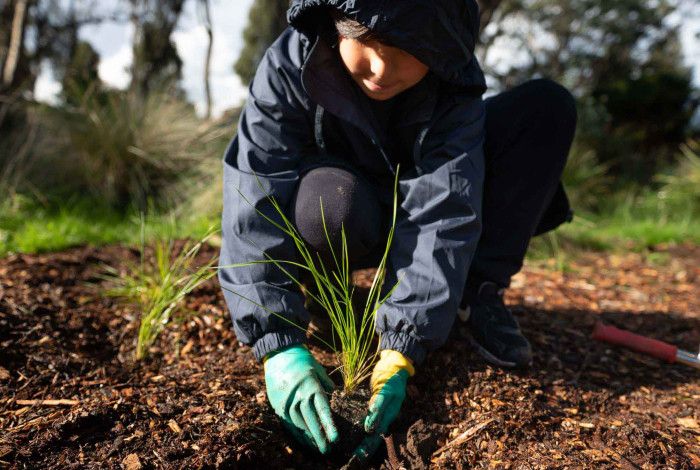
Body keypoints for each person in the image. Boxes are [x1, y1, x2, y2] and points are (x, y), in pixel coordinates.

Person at [218, 0, 577, 460]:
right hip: (346, 206)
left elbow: (443, 208)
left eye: (408, 49)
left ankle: (474, 292)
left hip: (415, 202)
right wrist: (275, 340)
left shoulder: (453, 85)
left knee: (546, 106)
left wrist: (403, 345)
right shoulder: (291, 63)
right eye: (366, 41)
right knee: (331, 202)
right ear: (334, 23)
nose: (383, 69)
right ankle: (332, 295)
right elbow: (254, 191)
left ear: (441, 47)